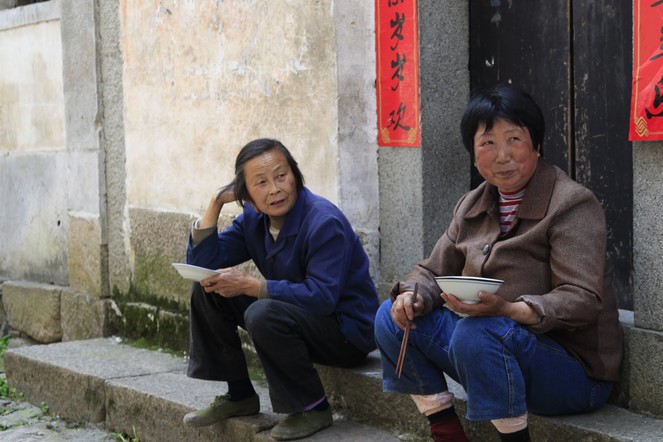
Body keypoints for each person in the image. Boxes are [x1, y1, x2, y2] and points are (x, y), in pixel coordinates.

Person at [374, 84, 623, 442]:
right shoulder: (471, 204)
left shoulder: (571, 204)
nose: (502, 155)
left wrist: (510, 310)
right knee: (392, 315)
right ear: (474, 155)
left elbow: (582, 298)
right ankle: (446, 433)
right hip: (495, 350)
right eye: (487, 143)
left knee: (478, 332)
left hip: (573, 373)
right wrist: (413, 295)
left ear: (536, 145)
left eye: (514, 139)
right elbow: (431, 270)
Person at [182, 138, 379, 440]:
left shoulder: (323, 222)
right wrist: (215, 202)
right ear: (247, 194)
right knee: (210, 289)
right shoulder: (253, 219)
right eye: (261, 182)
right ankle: (240, 395)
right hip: (299, 319)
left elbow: (322, 298)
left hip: (344, 332)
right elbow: (203, 265)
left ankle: (313, 407)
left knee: (263, 311)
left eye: (281, 176)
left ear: (295, 176)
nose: (275, 189)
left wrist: (252, 286)